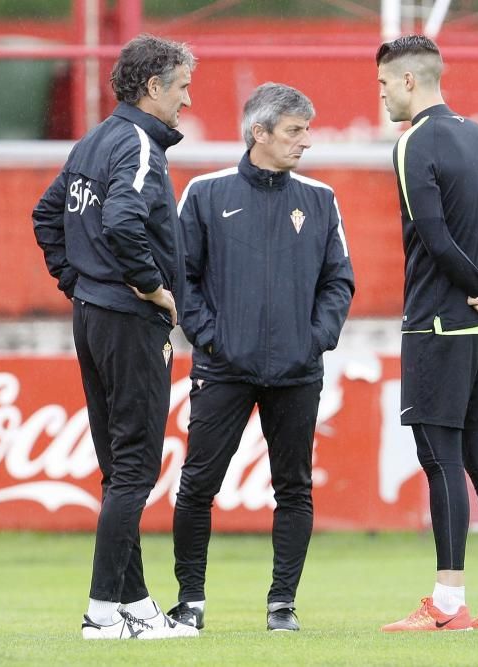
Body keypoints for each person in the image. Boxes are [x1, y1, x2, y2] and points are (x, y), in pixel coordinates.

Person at [165, 83, 355, 633]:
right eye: (295, 131)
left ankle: (282, 604)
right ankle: (191, 600)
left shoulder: (319, 199)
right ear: (260, 133)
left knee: (293, 488)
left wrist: (313, 338)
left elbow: (338, 281)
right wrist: (211, 337)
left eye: (305, 130)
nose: (306, 142)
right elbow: (183, 278)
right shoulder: (204, 193)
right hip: (223, 368)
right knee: (199, 485)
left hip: (297, 371)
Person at [31, 34, 199, 641]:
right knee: (134, 470)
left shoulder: (94, 140)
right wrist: (153, 287)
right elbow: (124, 220)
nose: (187, 98)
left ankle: (136, 607)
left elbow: (47, 214)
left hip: (93, 315)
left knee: (118, 471)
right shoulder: (137, 144)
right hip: (129, 321)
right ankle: (101, 613)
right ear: (153, 88)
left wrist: (77, 280)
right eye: (181, 86)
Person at [374, 35, 478, 632]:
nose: (384, 96)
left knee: (441, 459)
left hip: (437, 325)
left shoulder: (414, 141)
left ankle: (447, 604)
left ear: (411, 81)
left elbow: (436, 238)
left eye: (386, 85)